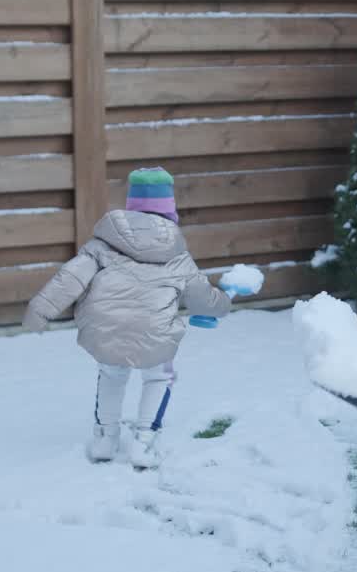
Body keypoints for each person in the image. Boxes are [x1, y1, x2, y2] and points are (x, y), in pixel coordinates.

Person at [23, 166, 232, 470]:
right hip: (155, 330)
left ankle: (105, 439)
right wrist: (224, 304)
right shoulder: (177, 253)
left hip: (105, 326)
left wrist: (40, 309)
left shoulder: (103, 243)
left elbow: (70, 277)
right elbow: (202, 298)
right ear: (170, 210)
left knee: (112, 375)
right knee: (159, 377)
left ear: (131, 205)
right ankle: (144, 442)